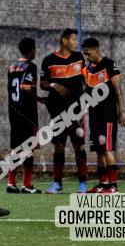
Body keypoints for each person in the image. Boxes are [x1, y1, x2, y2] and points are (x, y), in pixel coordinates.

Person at [40, 29, 88, 194]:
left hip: (76, 110)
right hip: (57, 111)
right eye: (74, 39)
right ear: (64, 40)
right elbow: (43, 83)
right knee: (59, 146)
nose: (76, 42)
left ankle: (82, 184)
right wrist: (54, 85)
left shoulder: (79, 58)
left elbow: (86, 80)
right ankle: (57, 184)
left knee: (79, 145)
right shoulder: (49, 60)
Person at [81, 38, 125, 193]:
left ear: (96, 49)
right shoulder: (89, 69)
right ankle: (103, 184)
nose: (87, 56)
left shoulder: (109, 65)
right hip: (94, 115)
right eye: (84, 54)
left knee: (107, 148)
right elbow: (87, 92)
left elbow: (117, 90)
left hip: (107, 115)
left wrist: (121, 110)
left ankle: (113, 186)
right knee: (99, 150)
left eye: (88, 53)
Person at [7, 37, 41, 193]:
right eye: (35, 49)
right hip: (27, 113)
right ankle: (27, 185)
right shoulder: (31, 66)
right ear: (31, 50)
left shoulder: (12, 67)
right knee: (28, 148)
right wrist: (37, 99)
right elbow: (26, 87)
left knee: (15, 148)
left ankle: (10, 183)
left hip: (13, 111)